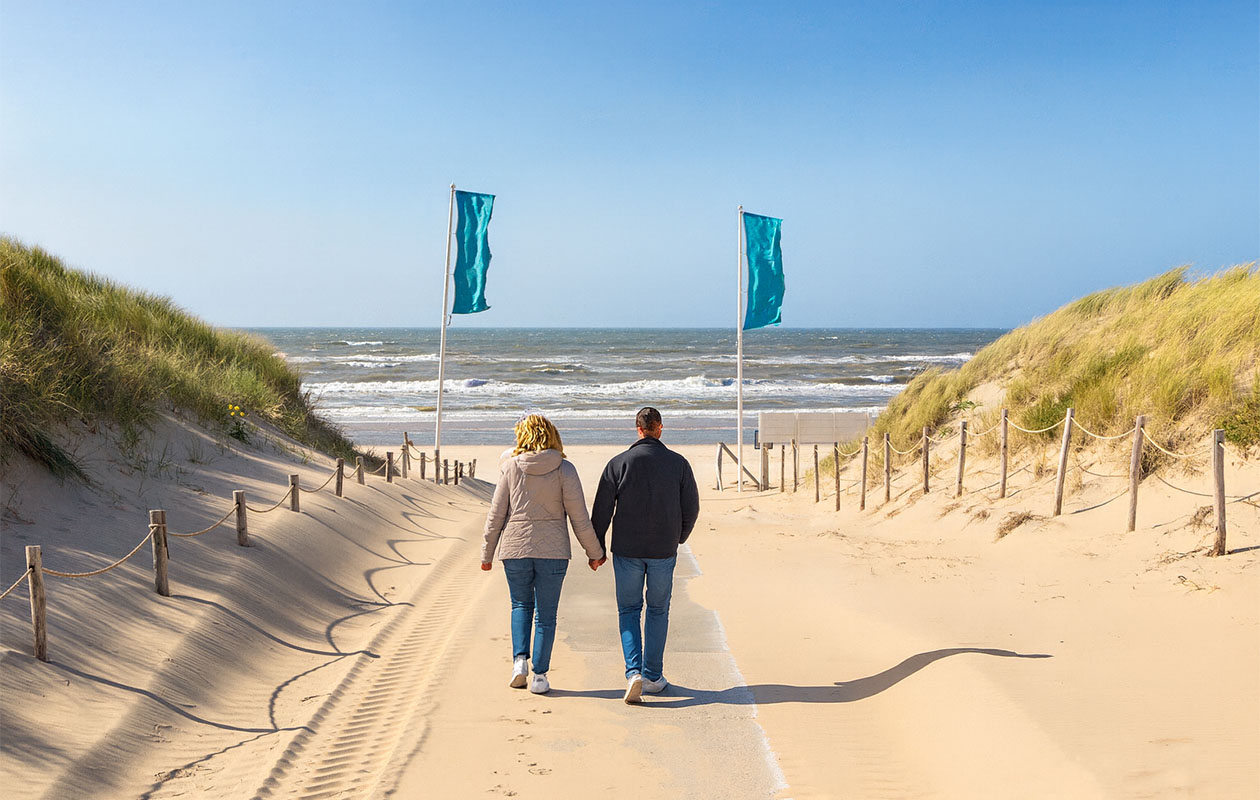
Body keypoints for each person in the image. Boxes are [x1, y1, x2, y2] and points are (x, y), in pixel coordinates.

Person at [481, 414, 606, 694]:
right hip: (553, 551)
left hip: (514, 548)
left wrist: (487, 553)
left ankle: (519, 663)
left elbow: (495, 515)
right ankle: (539, 676)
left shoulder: (510, 467)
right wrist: (594, 552)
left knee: (520, 606)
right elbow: (579, 518)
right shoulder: (565, 469)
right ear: (552, 434)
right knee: (546, 616)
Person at [591, 407, 700, 703]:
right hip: (663, 550)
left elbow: (601, 510)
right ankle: (652, 675)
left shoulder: (618, 463)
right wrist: (678, 538)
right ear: (660, 428)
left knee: (628, 610)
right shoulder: (678, 464)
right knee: (658, 610)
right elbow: (691, 508)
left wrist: (596, 549)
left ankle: (633, 673)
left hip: (626, 549)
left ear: (637, 429)